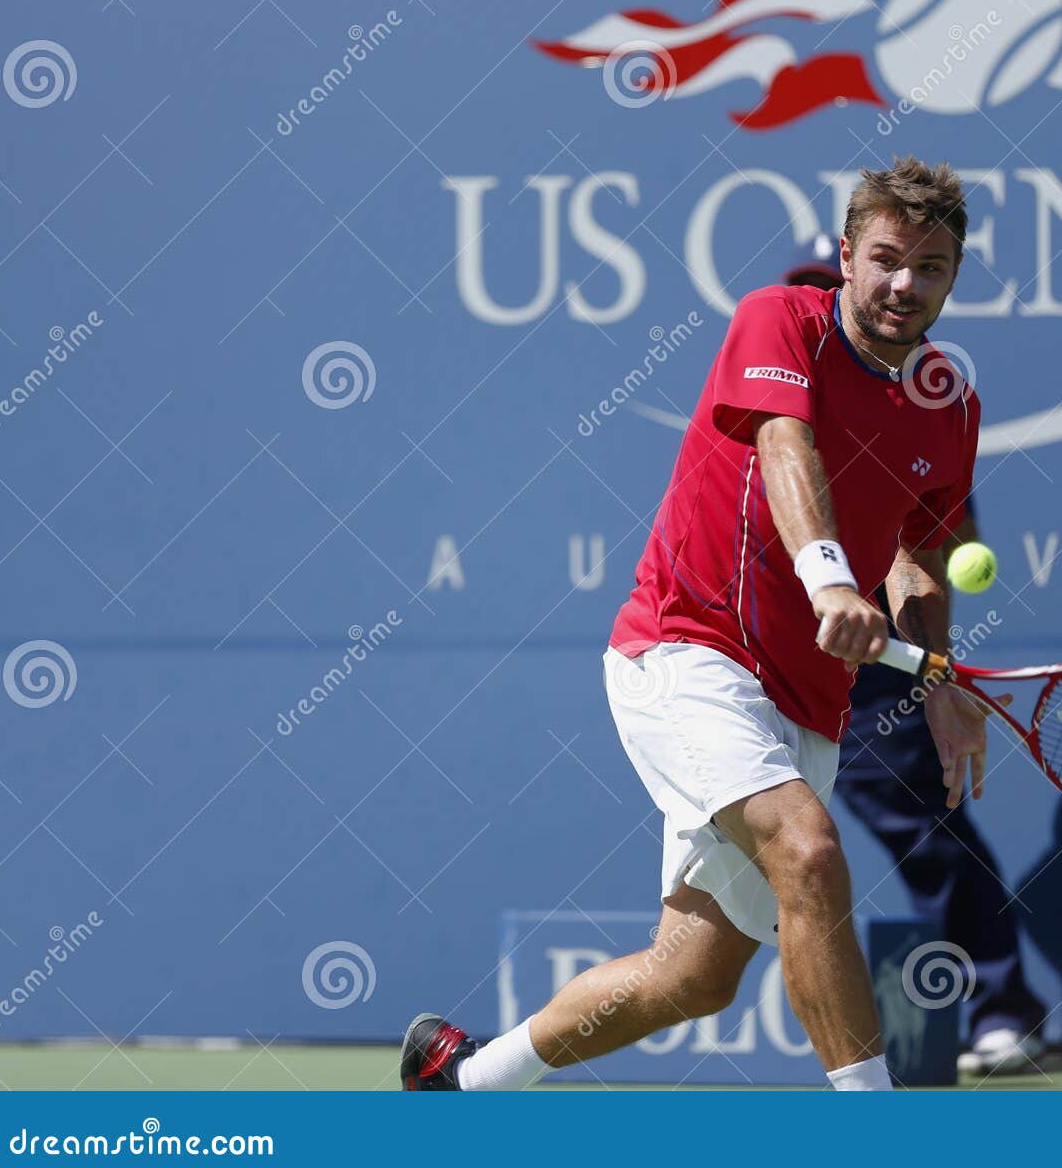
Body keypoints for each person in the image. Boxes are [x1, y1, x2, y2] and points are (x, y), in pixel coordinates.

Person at [401, 156, 987, 1091]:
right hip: (685, 651)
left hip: (805, 704)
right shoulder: (779, 319)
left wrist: (940, 678)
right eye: (884, 259)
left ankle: (461, 1078)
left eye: (931, 268)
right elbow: (783, 441)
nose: (903, 285)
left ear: (955, 278)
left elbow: (920, 555)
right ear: (846, 256)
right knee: (810, 850)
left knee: (694, 977)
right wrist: (832, 579)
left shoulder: (947, 402)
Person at [784, 250, 1049, 1076]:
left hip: (872, 669)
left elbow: (928, 555)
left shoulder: (918, 409)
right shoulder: (776, 400)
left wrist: (929, 670)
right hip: (753, 655)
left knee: (925, 831)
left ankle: (1001, 1004)